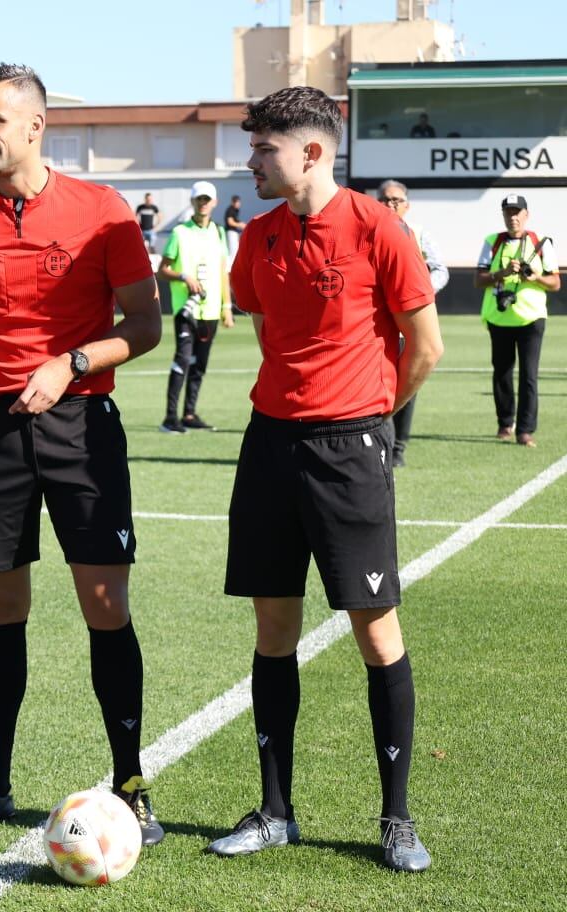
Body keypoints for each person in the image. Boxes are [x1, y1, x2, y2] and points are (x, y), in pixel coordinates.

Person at [211, 86, 442, 873]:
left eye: (264, 149)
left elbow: (426, 346)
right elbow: (273, 327)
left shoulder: (380, 229)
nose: (252, 162)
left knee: (376, 636)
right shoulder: (260, 237)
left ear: (311, 152)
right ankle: (277, 813)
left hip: (351, 451)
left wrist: (373, 413)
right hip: (270, 447)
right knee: (272, 632)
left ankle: (398, 819)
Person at [0, 63, 164, 845]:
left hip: (80, 425)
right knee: (0, 610)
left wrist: (71, 362)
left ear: (36, 126)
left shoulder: (101, 210)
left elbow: (145, 326)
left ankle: (131, 778)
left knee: (106, 607)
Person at [473, 193, 559, 448]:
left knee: (529, 375)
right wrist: (503, 272)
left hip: (531, 319)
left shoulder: (540, 243)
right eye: (508, 212)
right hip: (499, 317)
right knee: (502, 373)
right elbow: (478, 280)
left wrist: (534, 278)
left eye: (517, 212)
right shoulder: (492, 242)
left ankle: (525, 430)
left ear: (526, 215)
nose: (513, 217)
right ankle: (504, 423)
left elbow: (555, 282)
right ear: (503, 216)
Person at [378, 180, 450, 466]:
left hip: (408, 324)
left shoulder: (418, 234)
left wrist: (415, 293)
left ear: (407, 205)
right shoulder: (368, 231)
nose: (390, 205)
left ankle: (398, 448)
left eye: (396, 200)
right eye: (385, 200)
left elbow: (441, 270)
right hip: (378, 326)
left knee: (407, 383)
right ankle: (380, 444)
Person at [158, 180, 234, 433]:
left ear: (214, 203)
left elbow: (223, 272)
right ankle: (170, 418)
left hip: (211, 310)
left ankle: (189, 414)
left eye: (207, 199)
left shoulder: (219, 232)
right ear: (193, 202)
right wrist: (184, 276)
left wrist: (227, 306)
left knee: (199, 365)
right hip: (185, 309)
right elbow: (164, 269)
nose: (203, 203)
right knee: (182, 361)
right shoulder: (180, 232)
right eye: (199, 199)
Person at [224, 194, 246, 264]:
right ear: (233, 202)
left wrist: (242, 224)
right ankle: (230, 270)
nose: (238, 203)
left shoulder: (236, 210)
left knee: (235, 250)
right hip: (231, 232)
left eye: (238, 202)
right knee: (232, 251)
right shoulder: (230, 210)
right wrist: (239, 225)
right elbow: (230, 222)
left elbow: (235, 220)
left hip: (234, 232)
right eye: (236, 202)